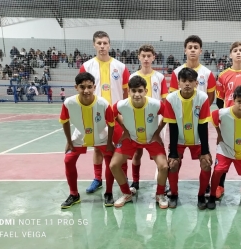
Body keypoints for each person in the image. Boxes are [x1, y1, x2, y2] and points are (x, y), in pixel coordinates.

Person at [79, 31, 130, 195]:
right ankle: (97, 178)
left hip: (116, 117)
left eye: (105, 43)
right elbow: (82, 91)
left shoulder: (121, 67)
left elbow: (126, 94)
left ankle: (125, 178)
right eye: (99, 43)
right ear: (94, 45)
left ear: (109, 45)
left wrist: (124, 114)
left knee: (122, 148)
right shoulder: (86, 67)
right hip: (95, 116)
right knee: (97, 149)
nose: (102, 46)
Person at [110, 75, 169, 209]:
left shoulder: (156, 104)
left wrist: (157, 132)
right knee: (114, 165)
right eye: (134, 91)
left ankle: (160, 194)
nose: (137, 94)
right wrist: (125, 129)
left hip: (151, 140)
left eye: (140, 91)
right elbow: (112, 114)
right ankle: (126, 193)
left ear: (146, 91)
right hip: (131, 139)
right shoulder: (121, 104)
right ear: (129, 91)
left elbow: (168, 115)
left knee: (164, 166)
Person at [59, 72, 115, 209]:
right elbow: (64, 122)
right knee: (68, 160)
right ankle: (74, 194)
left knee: (110, 161)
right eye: (82, 87)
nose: (86, 90)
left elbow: (111, 123)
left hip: (102, 136)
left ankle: (108, 193)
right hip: (80, 136)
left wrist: (109, 143)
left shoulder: (103, 103)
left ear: (94, 87)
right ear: (76, 87)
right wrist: (69, 141)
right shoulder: (69, 103)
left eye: (89, 87)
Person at [163, 68, 212, 209]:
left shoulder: (202, 98)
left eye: (191, 81)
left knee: (207, 164)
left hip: (198, 140)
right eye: (184, 81)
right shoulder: (171, 99)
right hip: (178, 139)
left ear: (196, 83)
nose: (187, 84)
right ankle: (174, 194)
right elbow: (172, 126)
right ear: (178, 83)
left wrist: (205, 151)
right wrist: (172, 152)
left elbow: (203, 126)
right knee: (172, 165)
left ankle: (201, 195)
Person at [215, 41, 241, 200]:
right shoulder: (223, 75)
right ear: (230, 54)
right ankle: (220, 185)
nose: (238, 53)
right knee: (225, 152)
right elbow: (219, 100)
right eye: (235, 50)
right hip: (229, 121)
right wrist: (223, 118)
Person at [128, 44, 168, 194]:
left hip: (156, 122)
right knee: (137, 153)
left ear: (153, 58)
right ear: (139, 57)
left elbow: (164, 101)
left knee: (159, 154)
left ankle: (162, 183)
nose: (146, 59)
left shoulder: (160, 77)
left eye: (148, 56)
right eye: (143, 56)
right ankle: (135, 182)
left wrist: (162, 123)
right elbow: (129, 101)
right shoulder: (132, 77)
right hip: (137, 121)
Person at [169, 35, 216, 106]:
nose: (193, 50)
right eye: (190, 47)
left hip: (200, 114)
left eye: (196, 47)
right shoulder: (176, 72)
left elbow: (211, 97)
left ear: (200, 51)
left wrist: (202, 110)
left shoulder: (208, 73)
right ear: (185, 51)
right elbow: (173, 96)